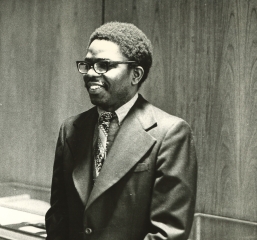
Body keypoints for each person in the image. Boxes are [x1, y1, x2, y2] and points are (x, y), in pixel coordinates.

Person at [45, 22, 197, 240]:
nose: (90, 73)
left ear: (135, 75)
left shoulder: (170, 133)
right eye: (87, 65)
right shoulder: (70, 129)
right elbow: (58, 217)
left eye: (103, 65)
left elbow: (167, 233)